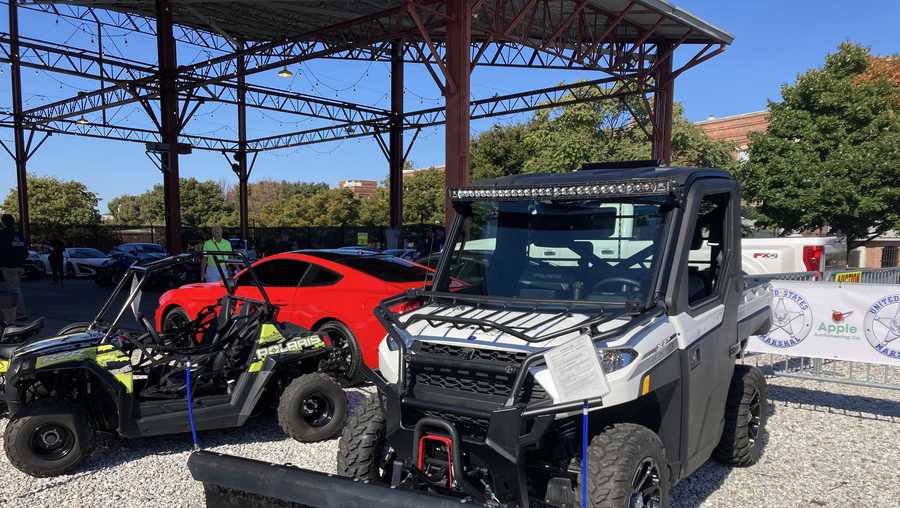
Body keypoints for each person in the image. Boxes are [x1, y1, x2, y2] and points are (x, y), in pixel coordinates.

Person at [0, 214, 28, 322]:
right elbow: (25, 250)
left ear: (3, 222)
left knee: (14, 290)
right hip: (20, 266)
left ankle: (20, 313)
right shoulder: (18, 235)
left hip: (9, 266)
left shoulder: (2, 235)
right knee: (14, 288)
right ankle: (12, 311)